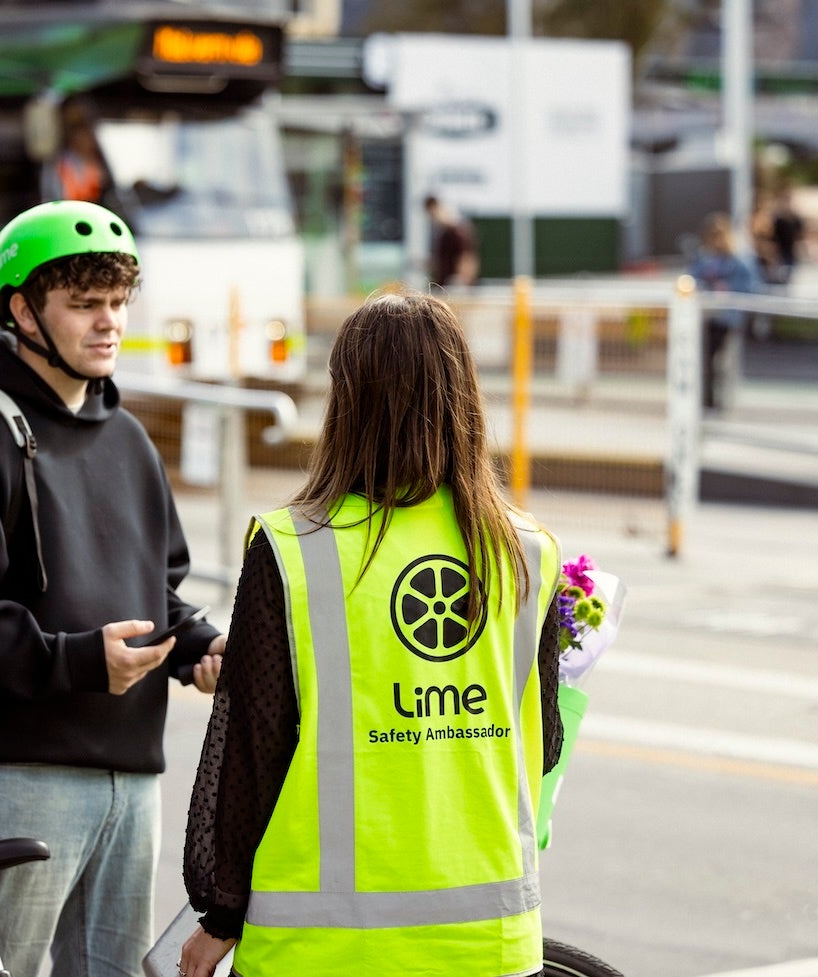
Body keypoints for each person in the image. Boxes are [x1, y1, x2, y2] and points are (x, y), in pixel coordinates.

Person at [178, 291, 566, 977]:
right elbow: (546, 739)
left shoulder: (295, 547)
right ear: (465, 397)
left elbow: (248, 757)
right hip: (492, 943)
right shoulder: (524, 550)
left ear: (347, 400)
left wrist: (218, 916)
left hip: (319, 948)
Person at [0, 200, 226, 977]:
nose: (108, 322)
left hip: (129, 777)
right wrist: (79, 662)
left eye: (116, 303)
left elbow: (159, 593)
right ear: (23, 311)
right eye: (84, 304)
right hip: (12, 773)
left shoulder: (128, 438)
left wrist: (202, 647)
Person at [688, 212, 759, 410]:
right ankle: (705, 397)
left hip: (726, 316)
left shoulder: (737, 260)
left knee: (720, 359)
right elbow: (691, 280)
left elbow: (749, 286)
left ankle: (716, 398)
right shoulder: (703, 258)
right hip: (705, 315)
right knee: (705, 358)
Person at [424, 193, 479, 288]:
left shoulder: (457, 232)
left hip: (454, 285)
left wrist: (463, 280)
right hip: (444, 284)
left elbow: (467, 258)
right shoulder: (442, 233)